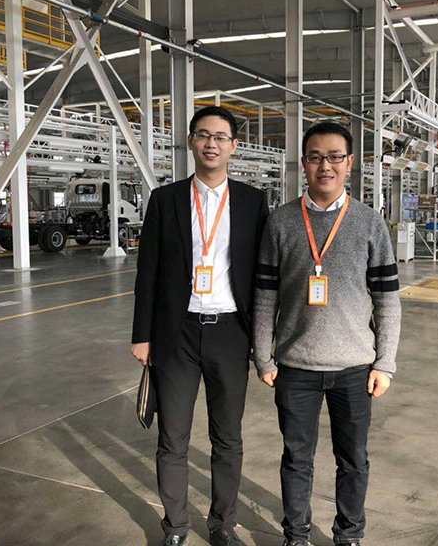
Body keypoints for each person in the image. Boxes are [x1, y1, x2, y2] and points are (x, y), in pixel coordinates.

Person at [253, 121, 401, 546]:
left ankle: (348, 535)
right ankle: (296, 535)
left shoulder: (369, 223)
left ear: (349, 162)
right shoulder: (281, 222)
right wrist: (263, 357)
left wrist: (385, 363)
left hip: (354, 369)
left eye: (335, 157)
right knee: (296, 459)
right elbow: (264, 296)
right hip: (294, 368)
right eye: (316, 157)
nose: (325, 166)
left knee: (353, 460)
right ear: (304, 163)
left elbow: (387, 300)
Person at [131, 106, 270, 546]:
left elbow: (262, 276)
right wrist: (142, 335)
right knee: (172, 437)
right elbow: (148, 272)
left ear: (233, 147)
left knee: (227, 437)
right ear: (191, 141)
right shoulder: (165, 199)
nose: (212, 143)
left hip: (231, 333)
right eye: (204, 134)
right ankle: (175, 527)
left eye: (221, 136)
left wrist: (262, 338)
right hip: (177, 334)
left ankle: (223, 525)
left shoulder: (252, 202)